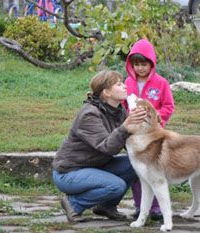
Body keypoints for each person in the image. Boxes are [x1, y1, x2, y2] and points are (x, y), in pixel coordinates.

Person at [52, 70, 147, 223]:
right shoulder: (89, 114)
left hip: (96, 166)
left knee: (137, 164)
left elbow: (128, 140)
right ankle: (73, 203)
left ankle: (106, 207)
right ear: (106, 92)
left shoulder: (118, 110)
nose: (125, 86)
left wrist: (146, 128)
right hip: (69, 173)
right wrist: (126, 127)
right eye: (119, 84)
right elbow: (107, 147)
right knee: (116, 186)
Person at [124, 38, 175, 220]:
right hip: (134, 135)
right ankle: (140, 207)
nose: (140, 68)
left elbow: (168, 105)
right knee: (138, 172)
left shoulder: (161, 83)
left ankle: (156, 208)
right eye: (136, 64)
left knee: (154, 171)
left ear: (151, 63)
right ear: (131, 64)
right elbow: (123, 105)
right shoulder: (128, 83)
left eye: (144, 64)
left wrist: (158, 118)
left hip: (153, 135)